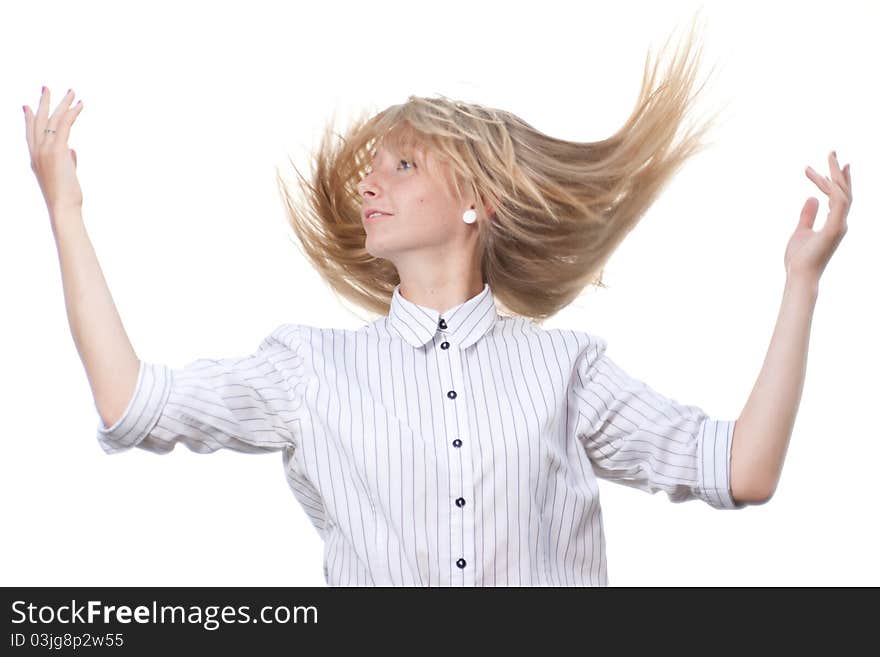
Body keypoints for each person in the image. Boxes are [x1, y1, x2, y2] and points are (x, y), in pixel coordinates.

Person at [24, 22, 852, 587]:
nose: (372, 181)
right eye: (371, 169)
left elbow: (743, 469)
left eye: (406, 164)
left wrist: (802, 281)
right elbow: (130, 403)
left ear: (476, 202)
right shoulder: (310, 370)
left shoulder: (566, 369)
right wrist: (64, 210)